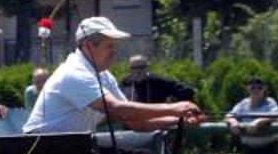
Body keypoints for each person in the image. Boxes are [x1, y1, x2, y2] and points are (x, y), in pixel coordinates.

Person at [24, 16, 205, 135]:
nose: (114, 52)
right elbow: (116, 108)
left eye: (115, 46)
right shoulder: (74, 73)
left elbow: (131, 120)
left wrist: (178, 120)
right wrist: (175, 108)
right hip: (44, 152)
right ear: (88, 46)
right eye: (109, 46)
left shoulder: (104, 76)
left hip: (71, 151)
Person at [121, 54, 196, 103]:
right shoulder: (126, 83)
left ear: (147, 68)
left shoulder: (158, 81)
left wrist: (174, 107)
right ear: (130, 69)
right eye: (134, 68)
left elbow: (187, 90)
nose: (138, 71)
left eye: (141, 67)